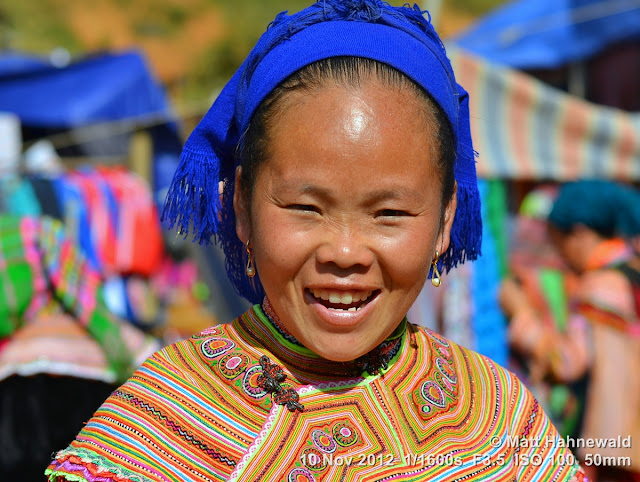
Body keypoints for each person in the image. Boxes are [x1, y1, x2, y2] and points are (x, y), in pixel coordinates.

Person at [47, 1, 586, 480]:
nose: (345, 253)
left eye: (390, 213)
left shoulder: (500, 420)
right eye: (306, 208)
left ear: (445, 221)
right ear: (241, 206)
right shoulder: (154, 429)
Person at [501, 180, 640, 482]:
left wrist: (522, 314)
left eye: (558, 243)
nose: (561, 257)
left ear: (579, 233)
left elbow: (565, 363)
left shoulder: (599, 287)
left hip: (616, 452)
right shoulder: (633, 270)